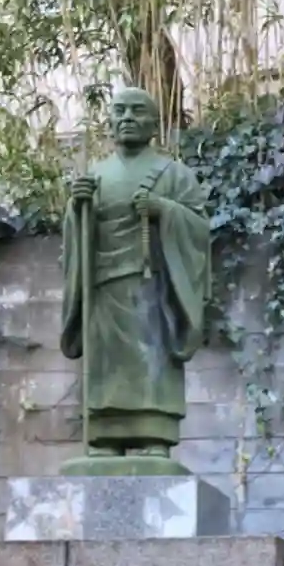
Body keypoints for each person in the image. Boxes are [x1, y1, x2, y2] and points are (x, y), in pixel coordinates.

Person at [61, 86, 213, 472]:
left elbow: (199, 229)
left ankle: (153, 435)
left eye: (137, 111)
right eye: (120, 111)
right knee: (106, 367)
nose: (127, 118)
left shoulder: (175, 175)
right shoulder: (95, 175)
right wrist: (78, 207)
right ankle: (104, 437)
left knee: (152, 363)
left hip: (153, 287)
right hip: (104, 289)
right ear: (109, 121)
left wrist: (164, 209)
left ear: (154, 124)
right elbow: (76, 237)